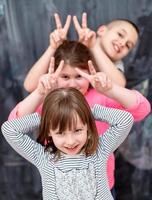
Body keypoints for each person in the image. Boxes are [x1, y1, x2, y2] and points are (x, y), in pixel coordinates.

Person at [8, 40, 151, 198]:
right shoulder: (50, 103)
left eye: (79, 76)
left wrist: (107, 93)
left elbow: (142, 110)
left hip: (103, 185)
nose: (72, 83)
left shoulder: (101, 98)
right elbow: (13, 125)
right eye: (65, 76)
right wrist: (47, 113)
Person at [2, 87, 134, 200]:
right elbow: (9, 129)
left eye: (77, 130)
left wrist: (88, 113)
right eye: (60, 133)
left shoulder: (100, 149)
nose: (70, 141)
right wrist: (46, 118)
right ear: (49, 131)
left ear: (87, 126)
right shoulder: (42, 157)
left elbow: (125, 120)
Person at [23, 13, 139, 92]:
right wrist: (53, 48)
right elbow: (29, 86)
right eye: (120, 34)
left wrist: (94, 47)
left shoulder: (116, 65)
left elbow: (119, 86)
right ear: (102, 30)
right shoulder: (75, 50)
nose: (123, 43)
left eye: (128, 45)